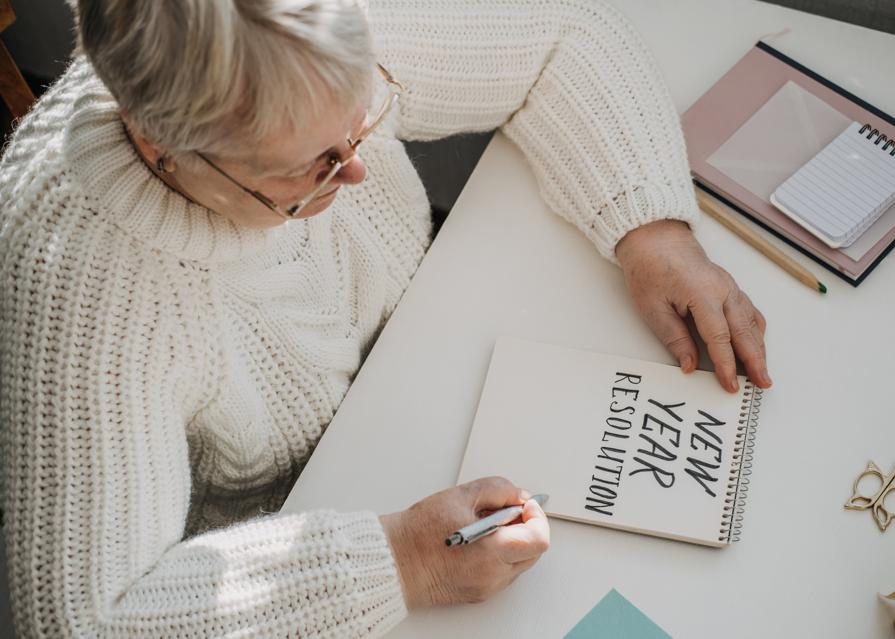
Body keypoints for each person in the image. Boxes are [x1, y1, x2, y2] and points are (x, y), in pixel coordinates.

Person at [0, 0, 771, 636]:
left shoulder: (297, 28)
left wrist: (651, 232)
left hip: (445, 371)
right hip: (303, 542)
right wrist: (404, 561)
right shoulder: (77, 294)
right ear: (160, 144)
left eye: (360, 118)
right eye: (311, 167)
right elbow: (83, 621)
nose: (357, 167)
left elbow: (564, 32)